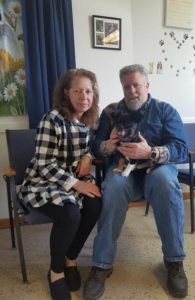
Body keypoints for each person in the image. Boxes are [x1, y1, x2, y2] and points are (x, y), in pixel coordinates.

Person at [83, 64, 189, 299]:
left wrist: (150, 152)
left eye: (136, 85)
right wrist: (107, 145)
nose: (131, 91)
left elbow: (181, 149)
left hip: (156, 171)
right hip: (123, 173)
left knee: (166, 182)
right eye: (126, 86)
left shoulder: (165, 110)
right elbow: (96, 147)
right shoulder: (110, 112)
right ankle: (101, 264)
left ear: (147, 86)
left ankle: (174, 262)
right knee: (112, 187)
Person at [19, 69, 102, 300]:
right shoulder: (51, 119)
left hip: (71, 180)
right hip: (43, 182)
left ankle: (70, 259)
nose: (84, 96)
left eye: (88, 91)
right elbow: (43, 164)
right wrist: (76, 183)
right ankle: (56, 272)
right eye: (77, 91)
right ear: (66, 93)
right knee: (70, 213)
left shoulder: (87, 121)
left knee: (96, 204)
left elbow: (89, 148)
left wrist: (87, 157)